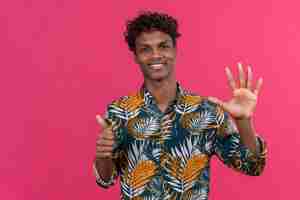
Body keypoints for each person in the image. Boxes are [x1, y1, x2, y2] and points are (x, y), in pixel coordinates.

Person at [93, 11, 267, 200]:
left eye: (163, 46)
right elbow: (105, 179)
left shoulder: (207, 112)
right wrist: (103, 155)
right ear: (135, 56)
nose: (156, 55)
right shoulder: (120, 111)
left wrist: (243, 121)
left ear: (175, 50)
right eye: (145, 49)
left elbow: (252, 166)